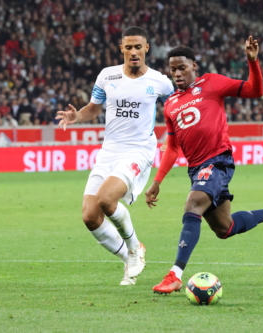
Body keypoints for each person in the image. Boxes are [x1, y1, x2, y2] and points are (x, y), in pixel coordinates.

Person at [145, 38, 263, 294]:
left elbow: (255, 90)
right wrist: (157, 181)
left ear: (194, 66)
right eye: (173, 70)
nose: (177, 73)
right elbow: (173, 147)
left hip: (217, 160)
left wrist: (252, 62)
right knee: (225, 228)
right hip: (196, 169)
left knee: (192, 204)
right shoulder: (170, 104)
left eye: (182, 67)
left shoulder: (211, 83)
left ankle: (174, 275)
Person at [56, 26, 174, 286]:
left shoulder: (159, 81)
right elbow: (93, 108)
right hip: (110, 150)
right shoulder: (107, 76)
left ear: (146, 49)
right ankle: (129, 257)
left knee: (107, 199)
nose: (133, 52)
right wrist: (77, 117)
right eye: (128, 47)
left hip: (139, 150)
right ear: (121, 49)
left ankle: (134, 247)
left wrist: (172, 137)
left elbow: (176, 109)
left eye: (138, 47)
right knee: (90, 215)